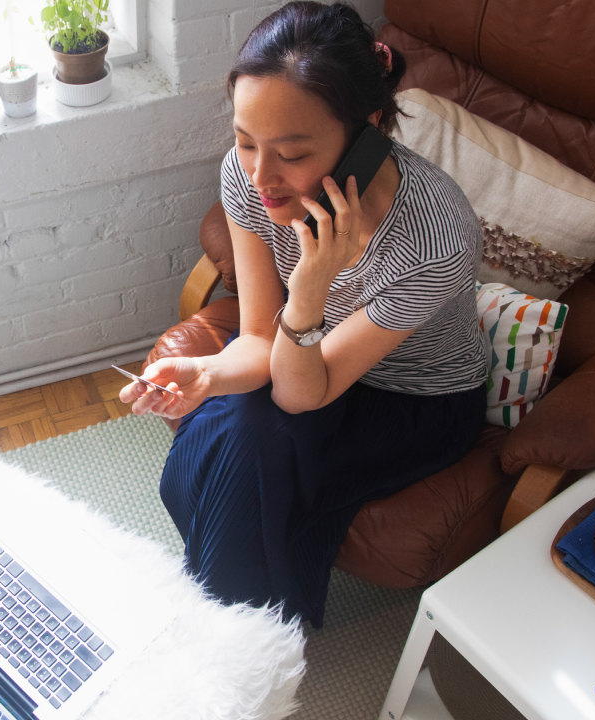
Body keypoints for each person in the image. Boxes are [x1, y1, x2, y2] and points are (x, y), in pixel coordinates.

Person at [118, 1, 488, 626]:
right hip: (305, 361)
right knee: (229, 424)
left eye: (291, 153)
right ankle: (238, 626)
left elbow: (297, 394)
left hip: (415, 398)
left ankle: (229, 634)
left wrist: (313, 281)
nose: (261, 175)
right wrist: (207, 374)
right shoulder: (247, 176)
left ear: (366, 130)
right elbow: (260, 338)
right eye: (244, 141)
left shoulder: (437, 240)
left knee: (253, 434)